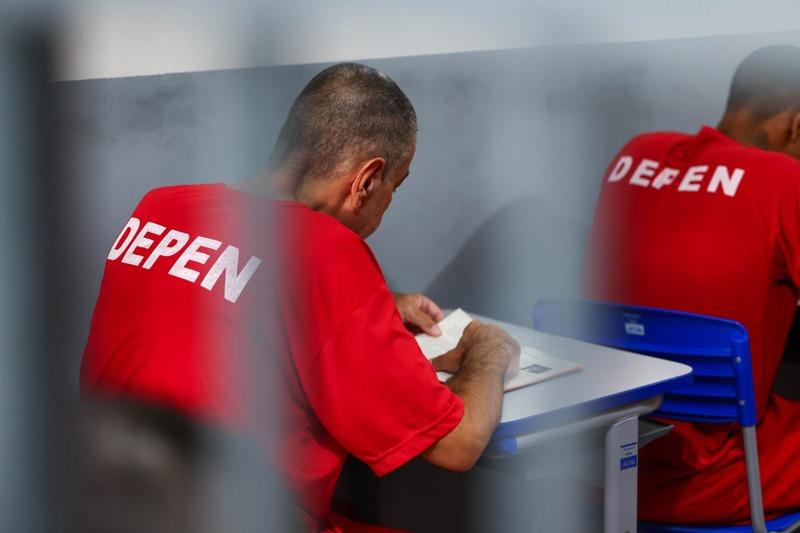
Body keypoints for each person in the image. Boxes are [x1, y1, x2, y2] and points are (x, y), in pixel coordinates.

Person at [80, 62, 520, 532]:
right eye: (396, 185)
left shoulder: (159, 207)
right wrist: (487, 348)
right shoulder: (328, 251)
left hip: (102, 507)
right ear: (367, 181)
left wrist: (373, 303)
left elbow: (224, 293)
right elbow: (458, 444)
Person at [584, 45, 800, 524]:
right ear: (797, 124)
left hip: (605, 460)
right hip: (716, 476)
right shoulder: (785, 180)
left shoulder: (636, 154)